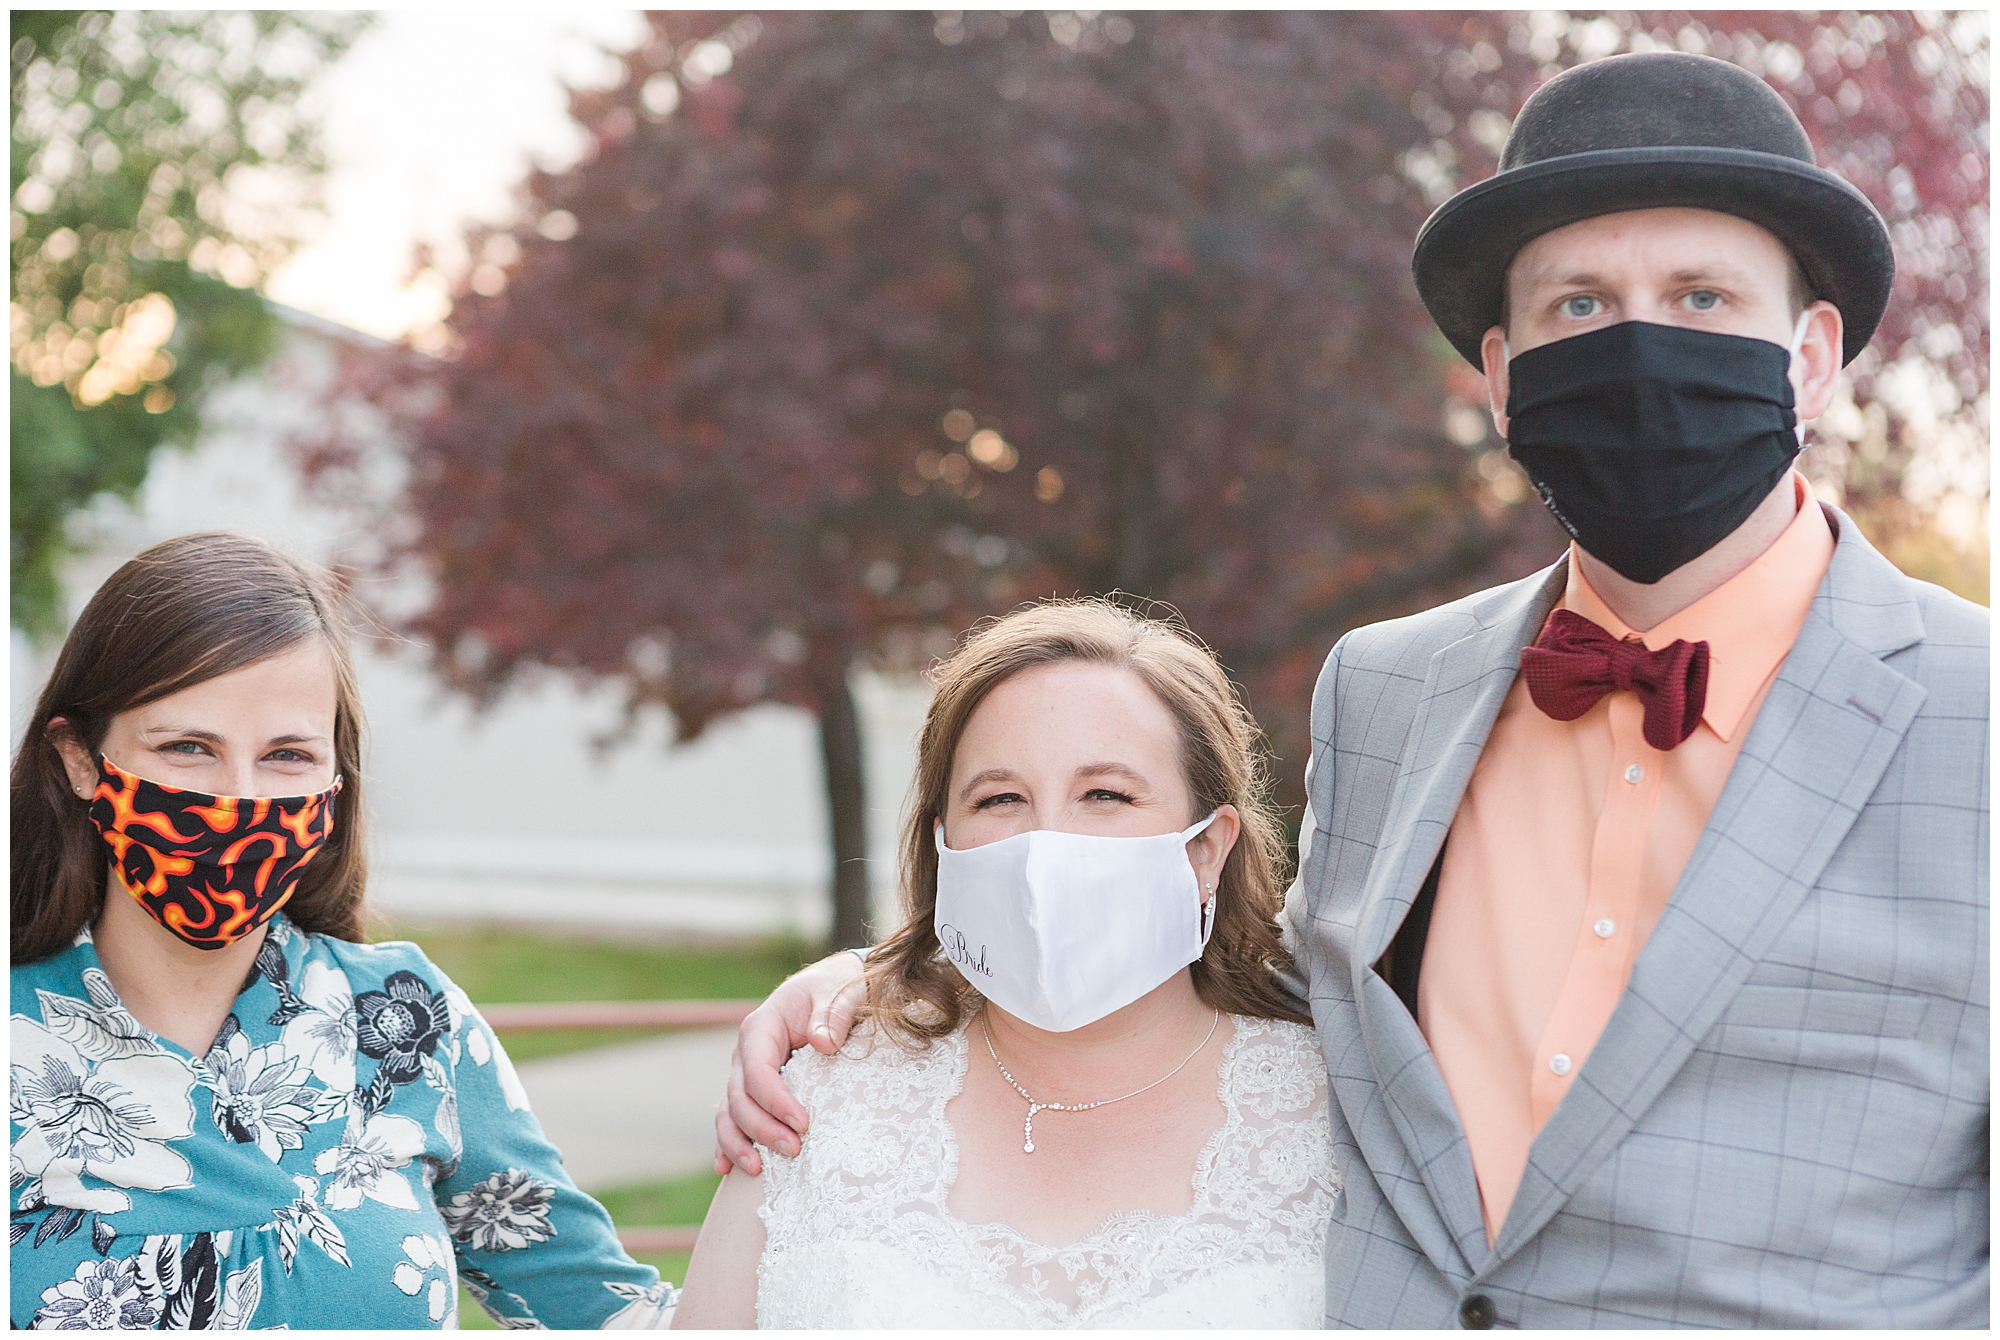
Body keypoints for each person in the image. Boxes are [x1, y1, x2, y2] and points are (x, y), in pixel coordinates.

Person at [715, 52, 1988, 1328]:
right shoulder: (1387, 690)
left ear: (1811, 354)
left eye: (1701, 296)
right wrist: (868, 983)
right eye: (1580, 305)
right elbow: (1255, 970)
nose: (1640, 346)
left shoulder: (1972, 713)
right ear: (1499, 373)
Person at [9, 532, 677, 1329]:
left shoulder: (407, 1022)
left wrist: (829, 996)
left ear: (333, 783)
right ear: (79, 757)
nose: (239, 800)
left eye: (286, 756)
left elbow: (617, 1317)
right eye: (188, 747)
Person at [672, 599, 1337, 1327]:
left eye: (1105, 794)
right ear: (945, 843)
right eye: (1000, 799)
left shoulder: (1338, 1110)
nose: (1044, 845)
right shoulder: (824, 1097)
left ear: (1205, 848)